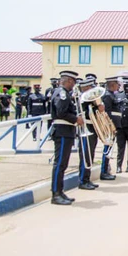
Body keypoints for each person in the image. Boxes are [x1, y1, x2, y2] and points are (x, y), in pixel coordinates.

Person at [49, 70, 82, 206]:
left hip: (66, 131)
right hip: (62, 132)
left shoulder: (66, 94)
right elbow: (61, 112)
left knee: (63, 164)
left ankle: (60, 191)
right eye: (73, 82)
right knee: (60, 164)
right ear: (68, 81)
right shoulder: (61, 93)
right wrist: (76, 119)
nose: (74, 84)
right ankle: (55, 194)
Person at [76, 77, 100, 190]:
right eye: (90, 87)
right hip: (85, 129)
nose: (92, 89)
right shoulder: (82, 99)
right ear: (85, 88)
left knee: (90, 156)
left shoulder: (91, 100)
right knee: (85, 156)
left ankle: (87, 179)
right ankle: (82, 180)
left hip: (92, 128)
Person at [99, 76, 120, 181]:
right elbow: (106, 114)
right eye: (117, 84)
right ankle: (104, 171)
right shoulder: (107, 96)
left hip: (114, 126)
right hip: (109, 127)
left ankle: (106, 169)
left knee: (109, 150)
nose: (118, 86)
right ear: (112, 85)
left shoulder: (112, 95)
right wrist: (110, 126)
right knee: (107, 150)